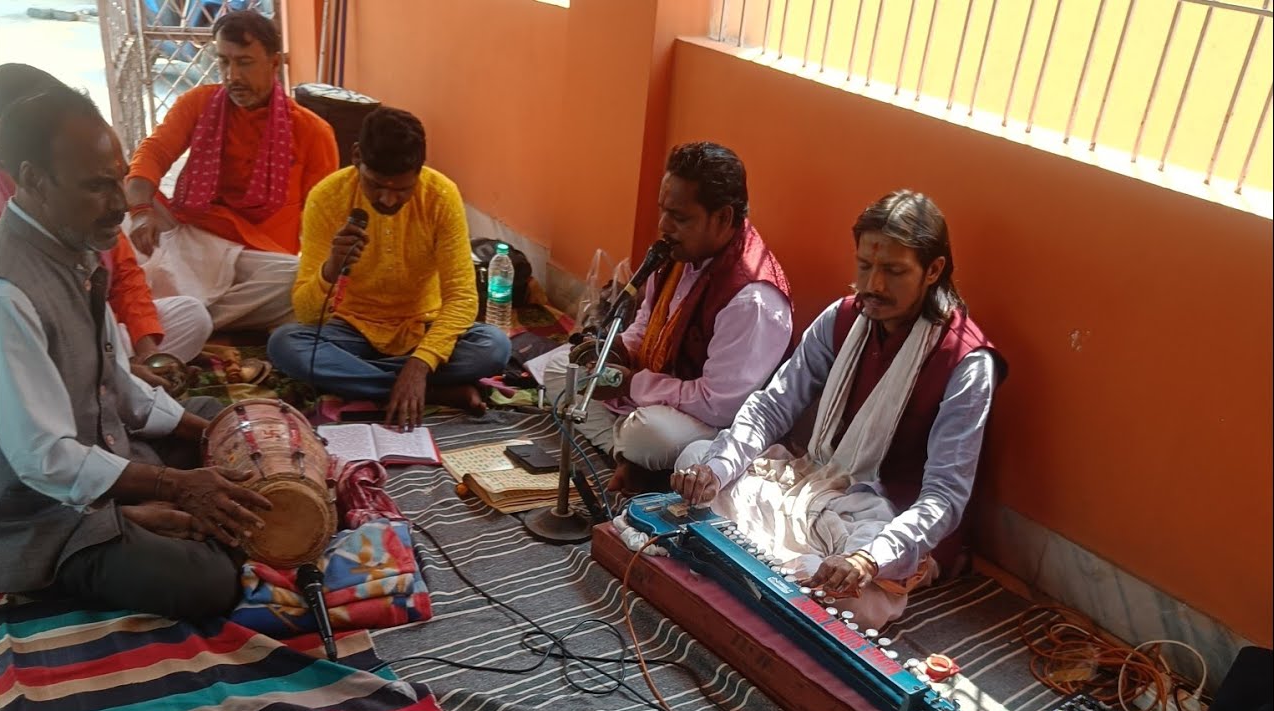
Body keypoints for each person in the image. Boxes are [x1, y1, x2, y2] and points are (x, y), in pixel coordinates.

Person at [0, 87, 272, 619]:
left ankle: (141, 510)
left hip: (101, 453)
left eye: (118, 180)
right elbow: (45, 459)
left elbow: (117, 385)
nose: (121, 204)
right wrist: (175, 485)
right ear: (33, 180)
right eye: (97, 187)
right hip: (35, 511)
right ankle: (126, 521)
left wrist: (206, 432)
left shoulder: (72, 248)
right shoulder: (7, 290)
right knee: (207, 583)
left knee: (221, 420)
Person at [671, 190, 1006, 629]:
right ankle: (782, 579)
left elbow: (944, 497)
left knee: (855, 601)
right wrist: (718, 468)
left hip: (883, 522)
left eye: (893, 271)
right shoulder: (843, 317)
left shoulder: (967, 363)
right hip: (816, 488)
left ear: (934, 271)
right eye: (865, 266)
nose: (874, 285)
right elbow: (772, 406)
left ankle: (762, 569)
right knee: (697, 458)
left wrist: (870, 558)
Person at [546, 142, 793, 491]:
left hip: (716, 422)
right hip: (661, 391)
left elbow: (720, 406)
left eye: (680, 217)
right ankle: (631, 462)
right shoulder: (680, 252)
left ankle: (642, 457)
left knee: (649, 434)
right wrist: (615, 353)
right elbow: (645, 324)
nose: (664, 225)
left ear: (722, 217)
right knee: (560, 371)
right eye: (663, 211)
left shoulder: (752, 299)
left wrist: (630, 383)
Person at [267, 107, 511, 428]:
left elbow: (463, 298)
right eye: (377, 184)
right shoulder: (326, 198)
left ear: (419, 172)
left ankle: (377, 381)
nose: (388, 199)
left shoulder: (441, 195)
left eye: (402, 190)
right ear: (357, 157)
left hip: (421, 327)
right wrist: (331, 268)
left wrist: (420, 365)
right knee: (285, 344)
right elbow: (307, 313)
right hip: (352, 330)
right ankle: (438, 392)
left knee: (494, 346)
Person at [124, 10, 338, 331]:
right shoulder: (198, 103)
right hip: (190, 234)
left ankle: (188, 318)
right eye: (224, 62)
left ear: (275, 64)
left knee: (295, 279)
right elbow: (153, 153)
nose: (232, 76)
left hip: (252, 258)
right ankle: (193, 313)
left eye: (245, 62)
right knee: (116, 186)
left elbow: (325, 224)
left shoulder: (312, 132)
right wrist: (141, 211)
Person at [0, 63, 211, 366]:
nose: (122, 206)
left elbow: (122, 273)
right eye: (98, 184)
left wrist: (147, 350)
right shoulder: (9, 284)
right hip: (47, 348)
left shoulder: (82, 202)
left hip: (99, 328)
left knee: (191, 316)